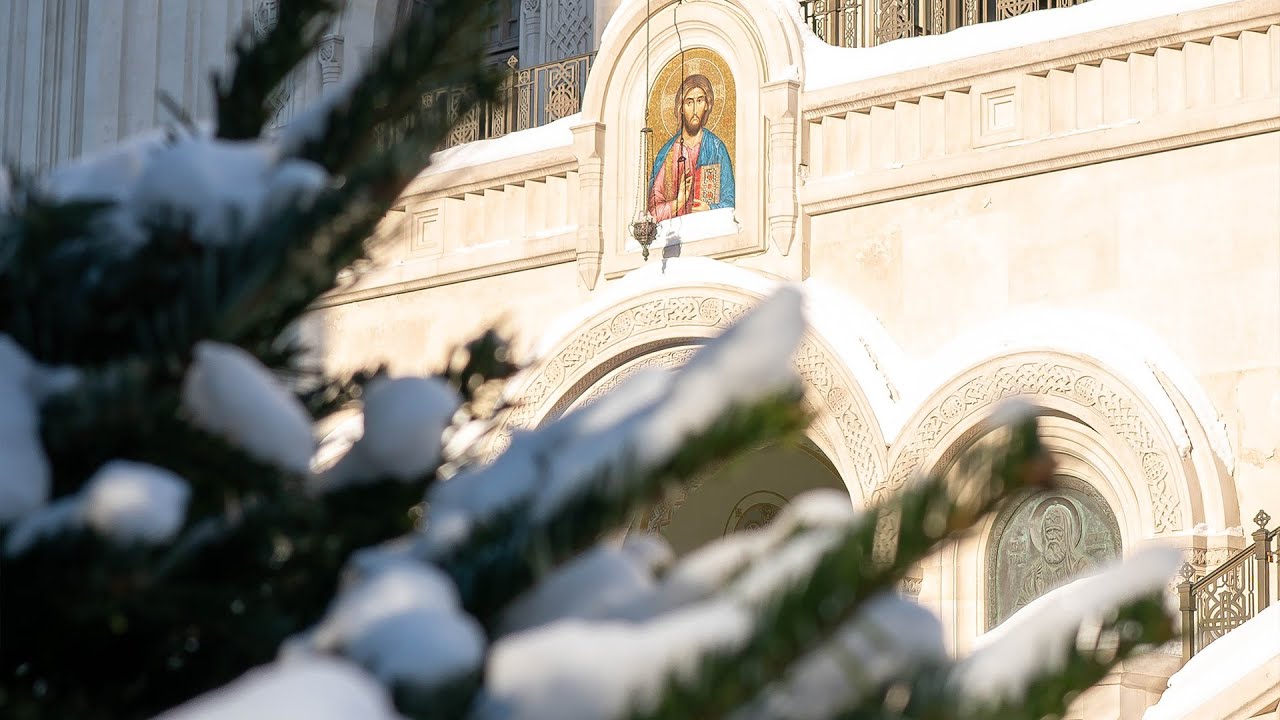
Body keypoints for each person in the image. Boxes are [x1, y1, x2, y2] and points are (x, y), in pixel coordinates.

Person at [647, 74, 736, 222]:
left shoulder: (716, 148)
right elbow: (652, 212)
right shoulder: (667, 154)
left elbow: (730, 200)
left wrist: (709, 209)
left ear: (707, 104)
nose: (695, 109)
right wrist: (678, 203)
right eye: (689, 102)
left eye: (700, 101)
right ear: (681, 108)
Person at [1014, 504, 1091, 609]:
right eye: (1049, 531)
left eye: (1057, 531)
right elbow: (1021, 609)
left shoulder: (1080, 566)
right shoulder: (1035, 572)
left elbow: (1089, 603)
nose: (1053, 537)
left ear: (1067, 534)